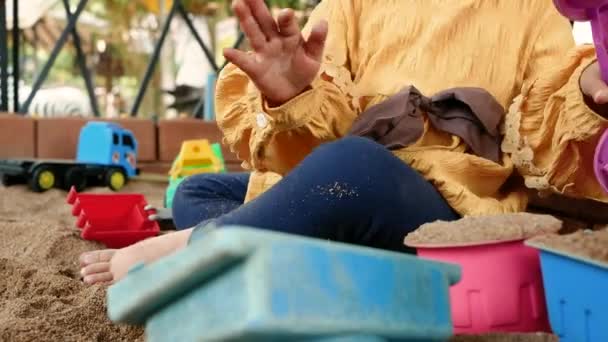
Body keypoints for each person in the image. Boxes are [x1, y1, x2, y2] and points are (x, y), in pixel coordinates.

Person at [79, 0, 608, 285]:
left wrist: (588, 91)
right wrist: (295, 92)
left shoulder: (535, 10)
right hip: (341, 175)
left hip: (442, 202)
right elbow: (322, 117)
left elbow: (543, 127)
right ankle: (292, 234)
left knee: (355, 168)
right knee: (201, 190)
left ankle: (191, 246)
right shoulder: (355, 2)